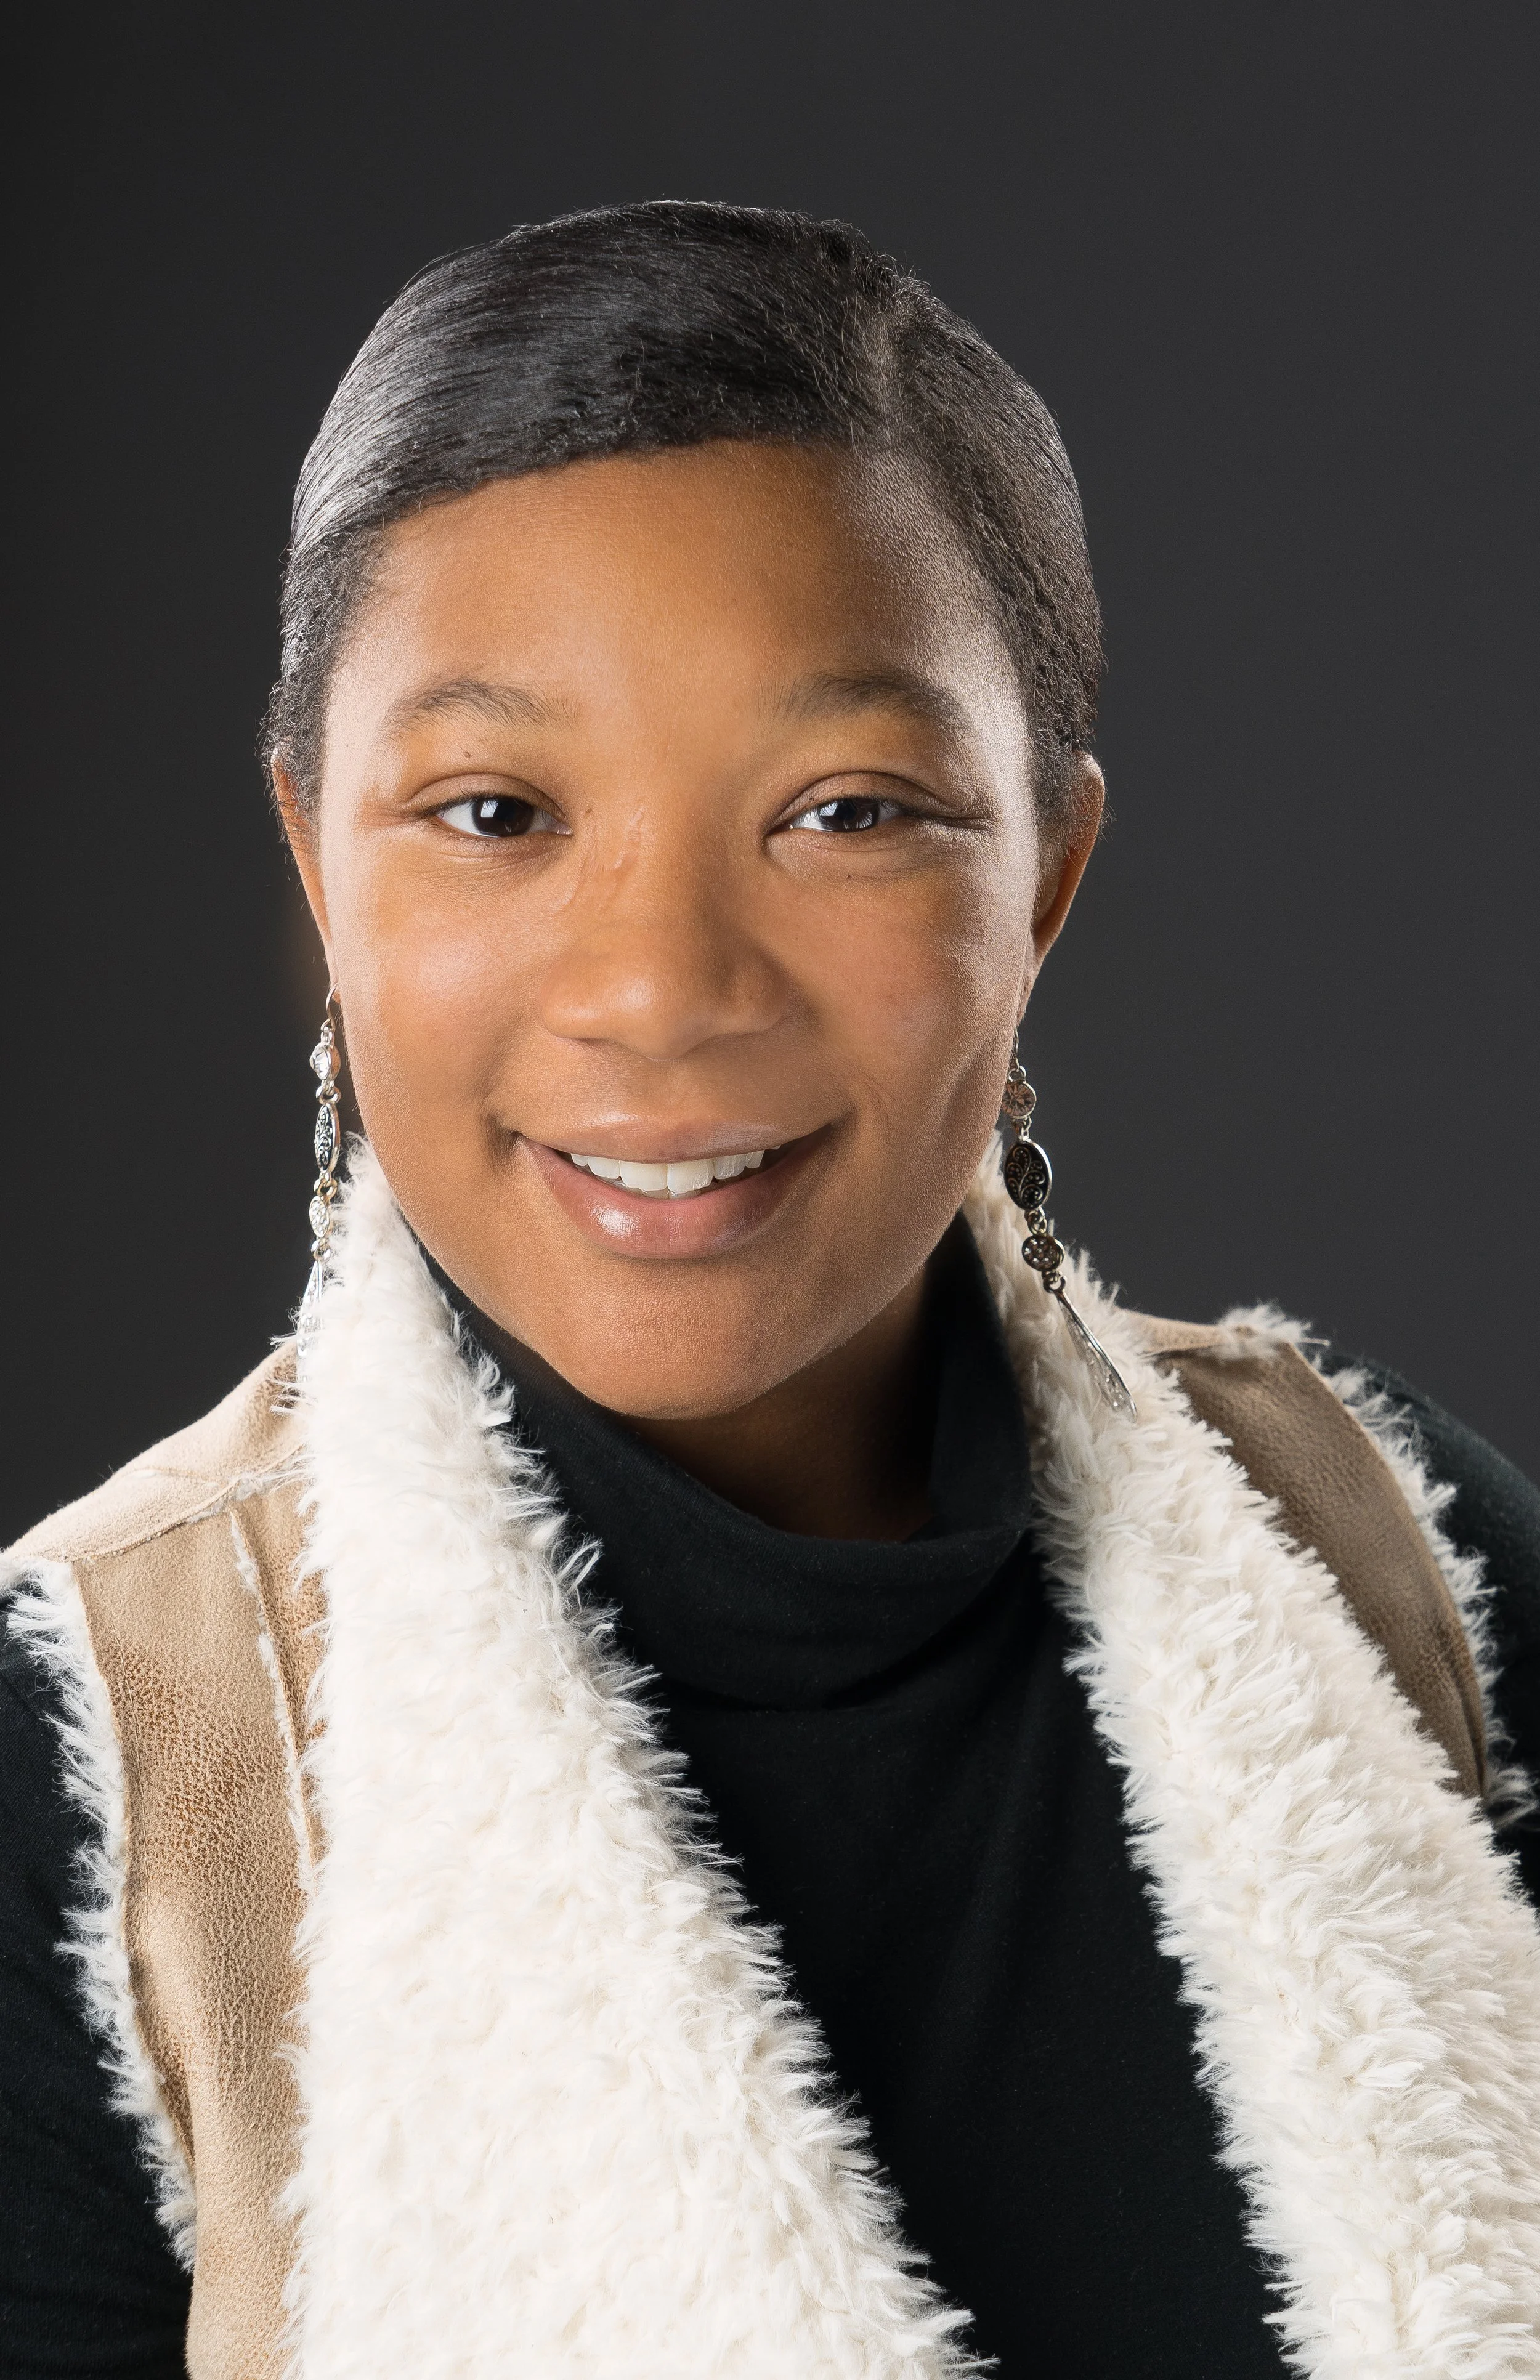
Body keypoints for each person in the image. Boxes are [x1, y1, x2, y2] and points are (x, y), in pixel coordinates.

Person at [3, 201, 1538, 2380]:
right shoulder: (89, 1771)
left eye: (842, 810)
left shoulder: (1404, 1564)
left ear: (1047, 879)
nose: (658, 992)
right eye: (494, 809)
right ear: (312, 863)